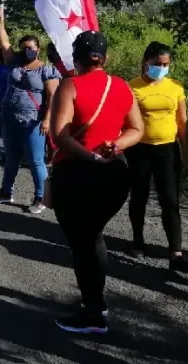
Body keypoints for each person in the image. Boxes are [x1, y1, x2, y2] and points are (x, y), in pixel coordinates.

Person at [48, 30, 144, 334]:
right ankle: (95, 303)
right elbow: (137, 129)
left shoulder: (70, 85)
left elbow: (59, 135)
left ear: (75, 57)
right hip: (115, 174)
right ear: (105, 57)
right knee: (93, 237)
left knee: (83, 242)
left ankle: (93, 314)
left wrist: (89, 157)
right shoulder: (122, 85)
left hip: (78, 174)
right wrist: (116, 145)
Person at [126, 42, 188, 274]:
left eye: (166, 64)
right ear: (146, 62)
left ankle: (175, 252)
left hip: (167, 150)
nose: (162, 68)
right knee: (139, 196)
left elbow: (183, 124)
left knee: (170, 201)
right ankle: (138, 239)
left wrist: (186, 153)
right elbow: (125, 121)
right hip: (139, 150)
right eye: (157, 64)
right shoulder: (133, 88)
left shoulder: (175, 87)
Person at [0, 6, 61, 214]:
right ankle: (5, 193)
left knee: (36, 161)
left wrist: (47, 120)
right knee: (10, 158)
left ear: (38, 48)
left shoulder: (46, 70)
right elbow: (4, 43)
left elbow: (53, 97)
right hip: (10, 119)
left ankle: (41, 197)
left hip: (34, 122)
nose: (27, 50)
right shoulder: (14, 63)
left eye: (31, 47)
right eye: (24, 47)